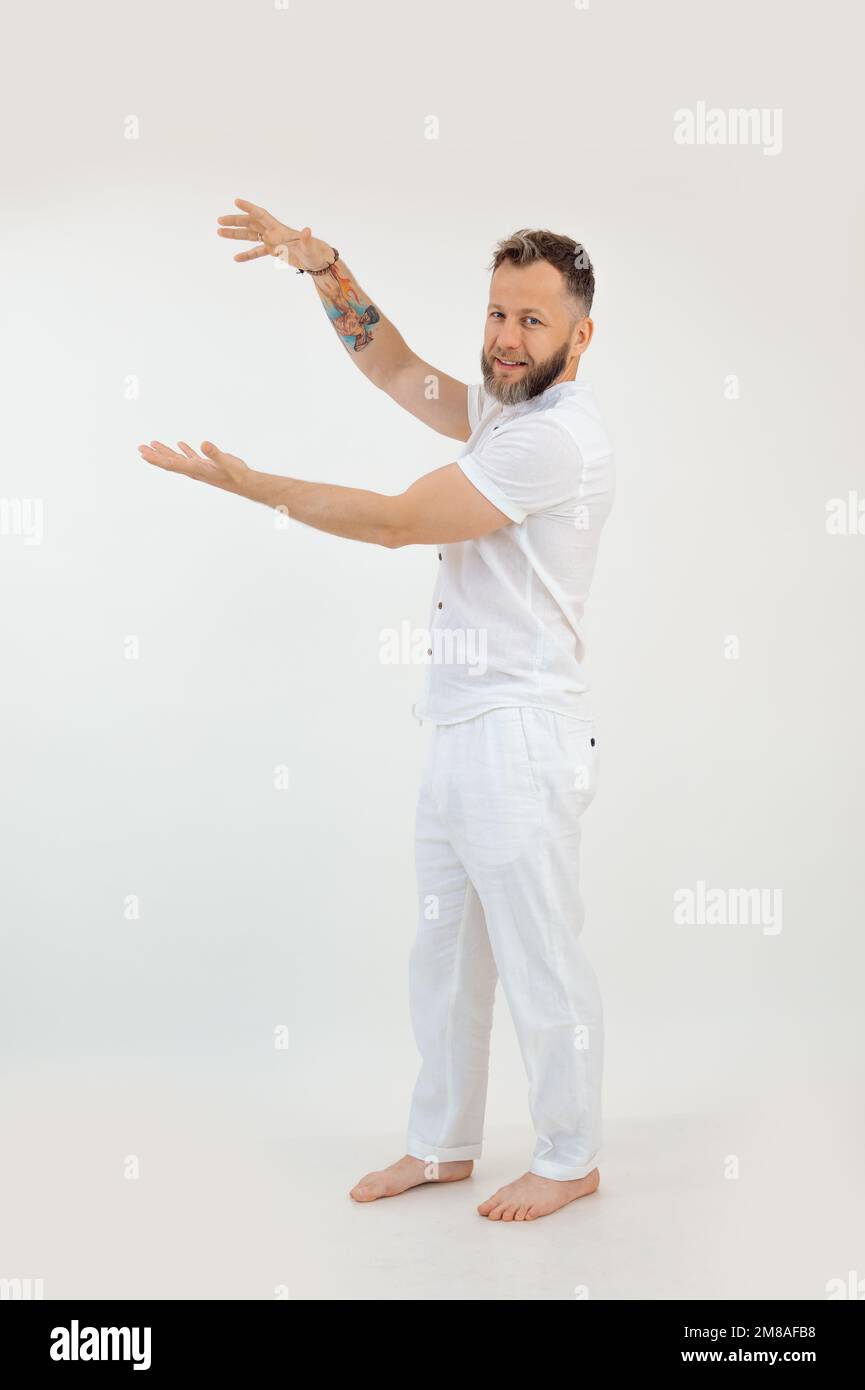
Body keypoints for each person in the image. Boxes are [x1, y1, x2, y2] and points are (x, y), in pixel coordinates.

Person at [138, 200, 616, 1222]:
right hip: (456, 725)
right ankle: (442, 1144)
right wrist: (326, 270)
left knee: (539, 960)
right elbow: (396, 369)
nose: (502, 336)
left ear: (579, 336)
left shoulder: (555, 440)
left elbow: (400, 523)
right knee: (441, 959)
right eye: (494, 312)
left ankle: (569, 1155)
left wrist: (253, 485)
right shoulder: (504, 410)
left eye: (530, 321)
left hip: (520, 736)